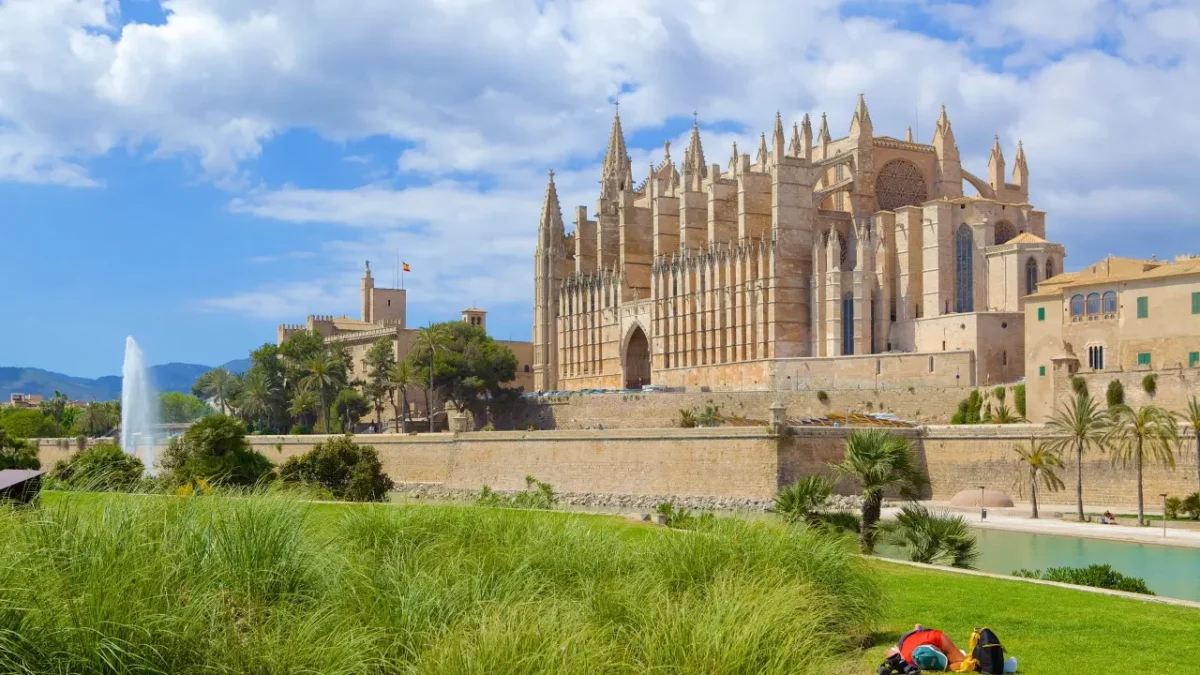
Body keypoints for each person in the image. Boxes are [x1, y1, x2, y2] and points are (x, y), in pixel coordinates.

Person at [885, 624, 966, 671]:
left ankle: (917, 628)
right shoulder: (908, 659)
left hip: (914, 638)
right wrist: (948, 668)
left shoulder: (936, 637)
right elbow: (889, 651)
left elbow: (963, 662)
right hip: (907, 642)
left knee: (918, 627)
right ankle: (917, 628)